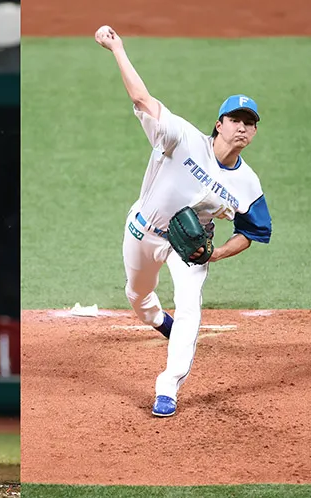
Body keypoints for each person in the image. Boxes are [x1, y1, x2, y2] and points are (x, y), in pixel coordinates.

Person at [94, 25, 271, 418]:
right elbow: (141, 97)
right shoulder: (182, 138)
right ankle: (161, 322)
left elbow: (254, 231)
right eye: (236, 119)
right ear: (219, 123)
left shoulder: (248, 183)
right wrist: (117, 48)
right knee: (138, 298)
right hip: (144, 230)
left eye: (251, 122)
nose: (243, 127)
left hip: (190, 249)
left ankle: (168, 386)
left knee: (191, 307)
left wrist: (216, 253)